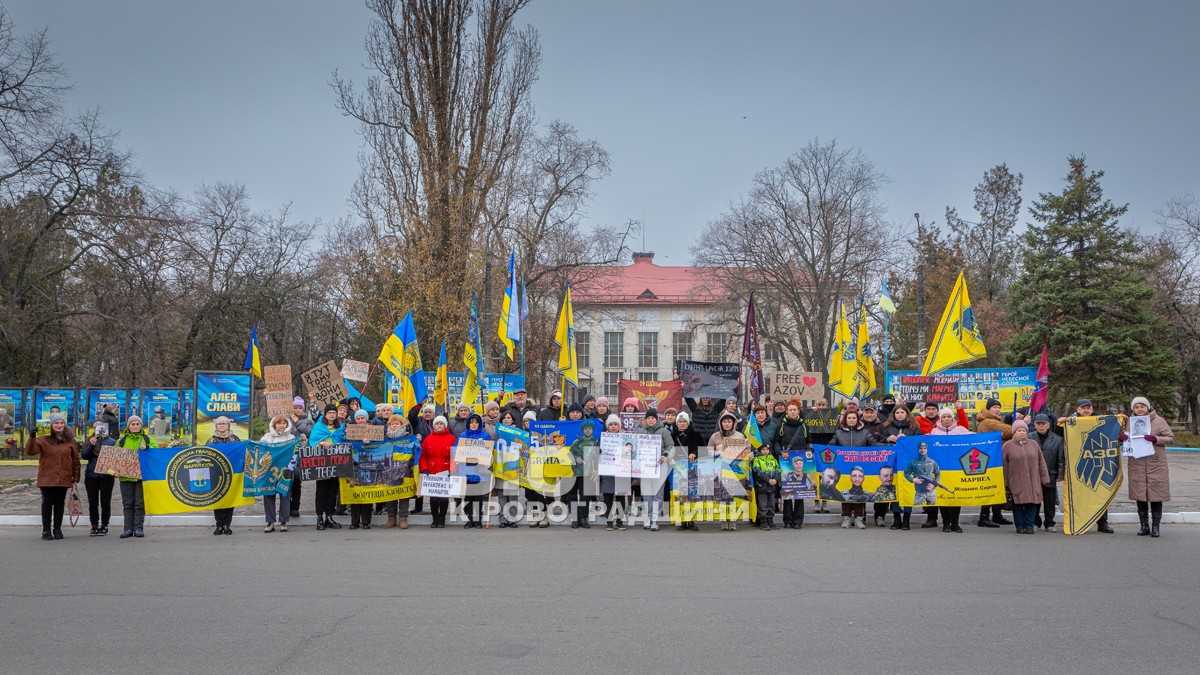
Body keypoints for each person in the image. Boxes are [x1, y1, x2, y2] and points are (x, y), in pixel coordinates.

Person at [1056, 398, 1114, 534]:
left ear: (1092, 409)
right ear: (1077, 409)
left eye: (1089, 408)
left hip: (1098, 461)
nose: (1086, 410)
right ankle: (1079, 521)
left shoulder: (1101, 421)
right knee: (1079, 495)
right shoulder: (1071, 422)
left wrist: (1121, 419)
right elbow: (1058, 434)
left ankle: (1102, 523)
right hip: (1078, 462)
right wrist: (1060, 423)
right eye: (1083, 408)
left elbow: (1114, 429)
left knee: (1100, 494)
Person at [26, 413, 80, 541]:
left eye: (61, 423)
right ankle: (46, 530)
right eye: (56, 423)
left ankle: (57, 529)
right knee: (47, 503)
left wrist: (76, 476)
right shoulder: (43, 439)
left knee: (59, 503)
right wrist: (32, 436)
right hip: (47, 477)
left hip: (64, 477)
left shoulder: (69, 440)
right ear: (51, 425)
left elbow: (75, 459)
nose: (59, 425)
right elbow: (30, 451)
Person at [1127, 396, 1174, 538]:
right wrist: (1123, 438)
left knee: (1156, 496)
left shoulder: (1159, 421)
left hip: (1156, 465)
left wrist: (1156, 439)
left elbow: (1170, 438)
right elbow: (1127, 437)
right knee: (1140, 495)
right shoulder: (1130, 422)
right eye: (1136, 407)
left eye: (1142, 406)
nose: (1139, 409)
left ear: (1148, 407)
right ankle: (1144, 526)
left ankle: (1155, 526)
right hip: (1137, 464)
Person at [1002, 420, 1050, 534]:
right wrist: (1004, 481)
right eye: (1019, 430)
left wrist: (1044, 477)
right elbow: (1004, 465)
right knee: (1018, 505)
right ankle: (1019, 526)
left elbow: (1041, 462)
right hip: (1016, 481)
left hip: (1033, 480)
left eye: (1024, 430)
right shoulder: (1007, 446)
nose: (1022, 433)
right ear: (1014, 432)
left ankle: (1029, 525)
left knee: (1032, 504)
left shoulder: (1033, 444)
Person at [975, 398, 1017, 528]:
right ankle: (984, 517)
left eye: (999, 407)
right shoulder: (988, 422)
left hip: (995, 458)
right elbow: (1011, 431)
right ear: (988, 409)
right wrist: (1022, 423)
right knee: (990, 487)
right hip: (991, 459)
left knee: (997, 486)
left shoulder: (993, 421)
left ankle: (996, 515)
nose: (997, 409)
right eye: (994, 407)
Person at [929, 407, 969, 533]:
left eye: (949, 416)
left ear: (953, 418)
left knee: (956, 495)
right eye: (944, 417)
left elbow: (975, 439)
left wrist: (993, 436)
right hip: (941, 470)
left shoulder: (961, 430)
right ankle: (946, 523)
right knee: (943, 496)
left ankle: (955, 523)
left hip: (957, 468)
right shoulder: (934, 432)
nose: (946, 419)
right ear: (940, 419)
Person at [879, 403, 919, 528]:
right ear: (893, 415)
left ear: (907, 414)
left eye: (902, 412)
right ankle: (897, 518)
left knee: (907, 490)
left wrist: (907, 440)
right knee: (895, 490)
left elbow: (920, 444)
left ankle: (906, 518)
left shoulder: (914, 428)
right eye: (897, 413)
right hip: (893, 463)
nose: (900, 415)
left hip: (909, 464)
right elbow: (878, 441)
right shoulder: (886, 427)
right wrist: (888, 439)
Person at [114, 415, 155, 538]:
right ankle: (127, 529)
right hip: (125, 478)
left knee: (139, 504)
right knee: (127, 504)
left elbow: (156, 452)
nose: (135, 426)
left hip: (141, 477)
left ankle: (138, 528)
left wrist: (147, 448)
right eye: (133, 424)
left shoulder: (147, 439)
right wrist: (114, 471)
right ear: (128, 426)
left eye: (137, 424)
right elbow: (114, 459)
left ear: (141, 426)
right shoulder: (121, 441)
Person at [772, 399, 808, 529]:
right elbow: (776, 441)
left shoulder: (804, 425)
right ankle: (787, 520)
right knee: (787, 492)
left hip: (801, 463)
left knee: (800, 493)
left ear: (798, 411)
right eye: (790, 410)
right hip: (786, 462)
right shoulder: (781, 425)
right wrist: (779, 453)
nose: (793, 412)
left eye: (795, 409)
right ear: (787, 411)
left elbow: (809, 441)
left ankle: (798, 520)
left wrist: (808, 453)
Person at [309, 405, 345, 530]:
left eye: (334, 413)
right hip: (322, 463)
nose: (331, 415)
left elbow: (344, 440)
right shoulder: (318, 427)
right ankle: (319, 517)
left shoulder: (340, 427)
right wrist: (320, 443)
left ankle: (329, 516)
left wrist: (340, 445)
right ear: (325, 414)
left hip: (336, 462)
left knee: (332, 490)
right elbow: (312, 441)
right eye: (329, 412)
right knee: (321, 490)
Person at [259, 415, 297, 533]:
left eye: (284, 423)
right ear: (274, 424)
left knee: (285, 495)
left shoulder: (291, 437)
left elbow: (297, 450)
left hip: (285, 471)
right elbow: (260, 450)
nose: (281, 425)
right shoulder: (267, 437)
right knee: (268, 495)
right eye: (279, 423)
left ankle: (283, 521)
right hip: (269, 471)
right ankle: (270, 521)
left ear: (287, 425)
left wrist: (303, 440)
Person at [205, 416, 242, 535]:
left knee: (230, 499)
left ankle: (227, 524)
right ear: (216, 426)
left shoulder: (235, 439)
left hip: (231, 473)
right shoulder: (211, 440)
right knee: (218, 499)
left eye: (224, 423)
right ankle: (219, 525)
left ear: (228, 425)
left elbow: (240, 454)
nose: (221, 425)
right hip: (216, 473)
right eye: (219, 423)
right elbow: (207, 456)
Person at [639, 408, 674, 532]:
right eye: (648, 418)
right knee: (647, 494)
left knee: (657, 494)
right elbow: (636, 446)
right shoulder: (641, 432)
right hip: (645, 467)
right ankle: (647, 517)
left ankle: (655, 519)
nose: (650, 420)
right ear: (645, 419)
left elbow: (670, 446)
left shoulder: (663, 431)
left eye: (652, 418)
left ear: (656, 419)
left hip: (660, 465)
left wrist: (665, 455)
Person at [419, 416, 456, 528]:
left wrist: (452, 470)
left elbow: (455, 457)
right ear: (433, 426)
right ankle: (435, 518)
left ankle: (442, 518)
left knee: (444, 498)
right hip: (432, 472)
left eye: (441, 424)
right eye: (437, 424)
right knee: (433, 498)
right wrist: (424, 469)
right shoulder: (428, 439)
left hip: (445, 472)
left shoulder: (452, 439)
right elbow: (422, 455)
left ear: (445, 426)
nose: (439, 426)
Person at [80, 420, 116, 536]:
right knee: (92, 502)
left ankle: (105, 524)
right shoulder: (89, 440)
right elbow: (84, 455)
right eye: (96, 427)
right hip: (91, 475)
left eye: (101, 427)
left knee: (105, 501)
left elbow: (116, 458)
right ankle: (94, 525)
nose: (99, 429)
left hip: (106, 476)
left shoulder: (112, 442)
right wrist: (91, 444)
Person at [456, 413, 491, 529]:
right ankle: (469, 519)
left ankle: (478, 520)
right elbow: (457, 450)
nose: (474, 424)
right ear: (468, 424)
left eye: (476, 422)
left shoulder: (485, 436)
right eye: (472, 422)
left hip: (479, 471)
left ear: (479, 424)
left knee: (478, 496)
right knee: (467, 497)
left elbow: (488, 452)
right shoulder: (462, 436)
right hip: (465, 471)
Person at [379, 413, 414, 529]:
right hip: (389, 470)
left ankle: (403, 517)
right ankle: (391, 518)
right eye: (392, 424)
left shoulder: (407, 437)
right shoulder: (385, 438)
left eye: (396, 423)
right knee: (391, 494)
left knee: (404, 494)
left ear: (401, 424)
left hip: (404, 469)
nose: (394, 426)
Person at [1031, 414, 1064, 531]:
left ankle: (1049, 523)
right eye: (1038, 424)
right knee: (1035, 500)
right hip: (1033, 474)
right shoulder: (1029, 437)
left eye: (1043, 424)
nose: (1041, 426)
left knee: (1050, 500)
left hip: (1051, 474)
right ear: (1034, 425)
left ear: (1048, 425)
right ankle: (1035, 522)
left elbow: (1060, 458)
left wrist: (1060, 474)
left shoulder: (1058, 439)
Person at [567, 418, 600, 529]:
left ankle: (583, 517)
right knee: (572, 495)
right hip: (576, 472)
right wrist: (576, 458)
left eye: (590, 429)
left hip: (589, 473)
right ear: (583, 430)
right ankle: (575, 518)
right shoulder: (576, 442)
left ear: (592, 430)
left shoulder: (595, 442)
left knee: (585, 496)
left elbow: (597, 457)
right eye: (586, 429)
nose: (587, 431)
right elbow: (570, 453)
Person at [494, 410, 522, 528]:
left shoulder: (518, 433)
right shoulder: (497, 433)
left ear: (512, 420)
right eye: (504, 418)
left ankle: (512, 519)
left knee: (512, 495)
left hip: (513, 468)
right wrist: (493, 440)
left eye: (509, 417)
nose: (506, 419)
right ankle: (503, 519)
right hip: (500, 467)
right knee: (502, 495)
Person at [599, 415, 627, 531]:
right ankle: (609, 520)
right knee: (608, 496)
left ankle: (620, 520)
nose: (613, 427)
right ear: (607, 426)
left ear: (619, 426)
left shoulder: (626, 437)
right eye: (611, 424)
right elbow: (597, 451)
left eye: (615, 424)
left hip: (621, 470)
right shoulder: (602, 438)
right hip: (607, 470)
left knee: (620, 496)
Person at [752, 444, 780, 531]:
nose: (765, 451)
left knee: (771, 504)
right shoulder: (757, 459)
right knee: (763, 504)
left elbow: (778, 470)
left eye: (767, 449)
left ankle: (770, 519)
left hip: (772, 486)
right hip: (762, 485)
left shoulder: (773, 459)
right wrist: (768, 480)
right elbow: (757, 471)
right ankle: (763, 521)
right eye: (763, 449)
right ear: (760, 451)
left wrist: (776, 479)